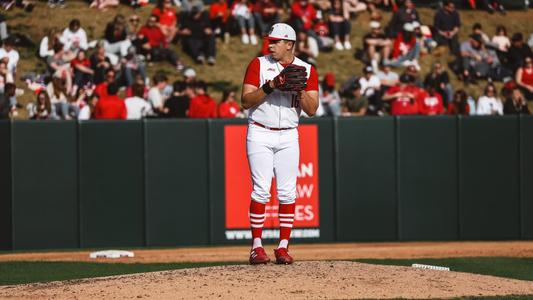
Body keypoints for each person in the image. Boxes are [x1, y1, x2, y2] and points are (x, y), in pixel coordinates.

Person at [240, 23, 318, 265]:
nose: (270, 45)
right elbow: (245, 100)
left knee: (287, 192)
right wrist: (271, 85)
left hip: (288, 134)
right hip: (260, 131)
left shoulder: (306, 69)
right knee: (261, 189)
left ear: (289, 44)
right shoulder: (259, 64)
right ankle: (256, 247)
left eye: (275, 41)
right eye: (269, 41)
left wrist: (300, 90)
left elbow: (312, 110)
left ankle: (283, 247)